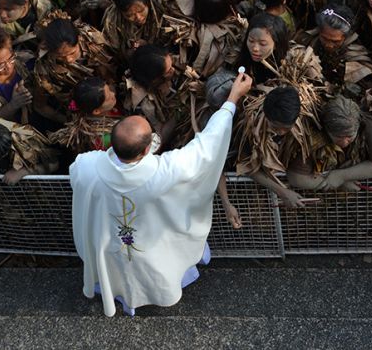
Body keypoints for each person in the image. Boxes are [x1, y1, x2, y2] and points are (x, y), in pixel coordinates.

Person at [70, 68, 252, 317]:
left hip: (111, 245)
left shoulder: (86, 166)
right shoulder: (165, 170)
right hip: (154, 247)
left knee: (121, 261)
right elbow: (206, 147)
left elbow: (79, 177)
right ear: (146, 150)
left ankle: (122, 294)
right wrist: (232, 99)